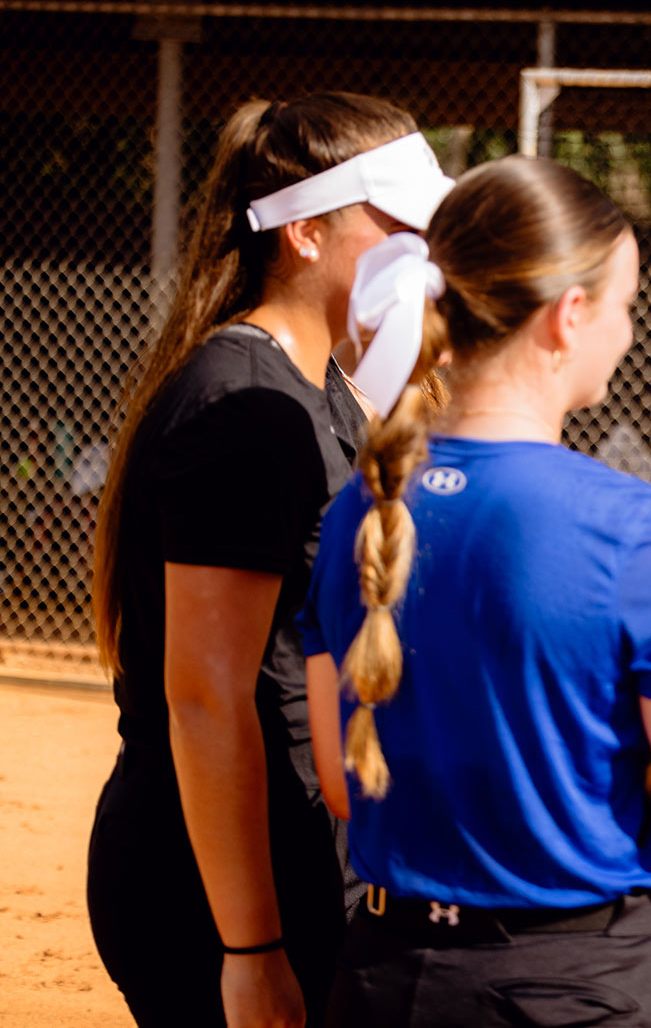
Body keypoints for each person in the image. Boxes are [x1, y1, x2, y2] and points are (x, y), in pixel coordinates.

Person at [298, 155, 651, 1028]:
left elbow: (346, 782)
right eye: (626, 305)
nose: (629, 332)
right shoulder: (634, 527)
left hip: (387, 979)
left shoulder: (361, 511)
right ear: (569, 316)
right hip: (575, 983)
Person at [86, 92, 454, 1028]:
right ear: (303, 234)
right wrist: (250, 950)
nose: (425, 251)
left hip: (292, 846)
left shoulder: (318, 386)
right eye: (401, 222)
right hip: (209, 888)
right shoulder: (246, 403)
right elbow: (206, 695)